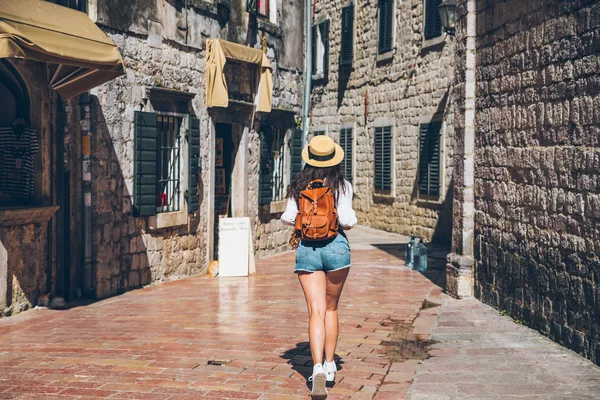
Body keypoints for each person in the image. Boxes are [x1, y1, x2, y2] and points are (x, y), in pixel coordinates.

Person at [281, 135, 357, 399]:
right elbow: (348, 221)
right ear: (334, 159)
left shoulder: (298, 185)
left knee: (315, 311)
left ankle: (315, 368)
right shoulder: (342, 186)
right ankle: (330, 363)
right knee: (331, 308)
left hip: (308, 250)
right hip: (337, 249)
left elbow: (288, 218)